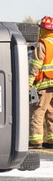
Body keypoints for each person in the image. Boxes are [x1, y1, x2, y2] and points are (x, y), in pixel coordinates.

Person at [29, 16, 53, 149]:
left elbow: (35, 65)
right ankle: (51, 141)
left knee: (37, 112)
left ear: (43, 29)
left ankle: (36, 142)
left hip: (44, 84)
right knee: (51, 113)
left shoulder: (42, 44)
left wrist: (28, 82)